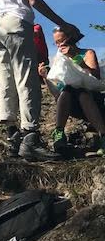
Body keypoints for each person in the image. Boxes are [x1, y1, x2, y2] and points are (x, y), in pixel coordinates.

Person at [0, 0, 82, 161]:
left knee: (6, 80)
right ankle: (30, 136)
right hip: (16, 23)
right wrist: (62, 23)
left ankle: (12, 136)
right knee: (26, 79)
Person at [39, 27, 105, 155]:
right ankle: (59, 133)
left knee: (77, 89)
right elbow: (58, 95)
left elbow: (96, 77)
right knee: (69, 89)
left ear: (71, 39)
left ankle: (103, 135)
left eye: (61, 41)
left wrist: (75, 57)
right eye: (56, 43)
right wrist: (46, 77)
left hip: (93, 100)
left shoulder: (87, 53)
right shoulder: (59, 61)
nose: (59, 45)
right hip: (74, 105)